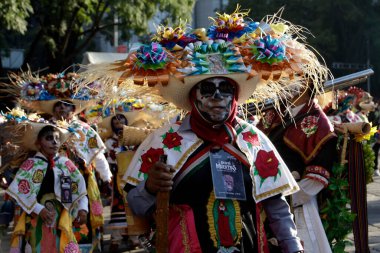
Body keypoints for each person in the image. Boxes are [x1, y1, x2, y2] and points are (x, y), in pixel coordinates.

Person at [78, 6, 330, 252]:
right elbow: (136, 204)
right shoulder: (166, 140)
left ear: (236, 95)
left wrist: (293, 247)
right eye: (208, 89)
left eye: (226, 89)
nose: (217, 97)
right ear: (193, 96)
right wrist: (151, 187)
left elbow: (276, 206)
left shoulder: (252, 139)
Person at [257, 82, 336, 253]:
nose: (287, 81)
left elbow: (317, 178)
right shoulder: (273, 114)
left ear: (307, 84)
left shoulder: (318, 122)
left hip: (298, 203)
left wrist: (286, 198)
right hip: (262, 197)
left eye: (294, 77)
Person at [6, 122, 88, 253]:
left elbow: (79, 189)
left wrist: (83, 209)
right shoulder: (31, 164)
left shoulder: (65, 164)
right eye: (49, 138)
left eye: (57, 138)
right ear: (39, 143)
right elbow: (21, 191)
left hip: (62, 217)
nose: (54, 142)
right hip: (36, 218)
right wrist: (39, 210)